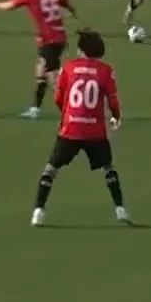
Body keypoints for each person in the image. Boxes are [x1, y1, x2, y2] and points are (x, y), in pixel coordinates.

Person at [31, 29, 130, 228]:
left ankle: (38, 212)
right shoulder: (105, 71)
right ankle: (120, 209)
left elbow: (59, 97)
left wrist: (67, 113)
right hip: (95, 131)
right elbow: (113, 99)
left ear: (81, 50)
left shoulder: (68, 68)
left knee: (51, 170)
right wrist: (116, 116)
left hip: (71, 129)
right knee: (108, 168)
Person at [0, 0, 77, 120]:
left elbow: (8, 7)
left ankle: (72, 109)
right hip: (58, 37)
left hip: (49, 39)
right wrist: (70, 13)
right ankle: (35, 108)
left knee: (53, 77)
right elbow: (68, 5)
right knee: (41, 71)